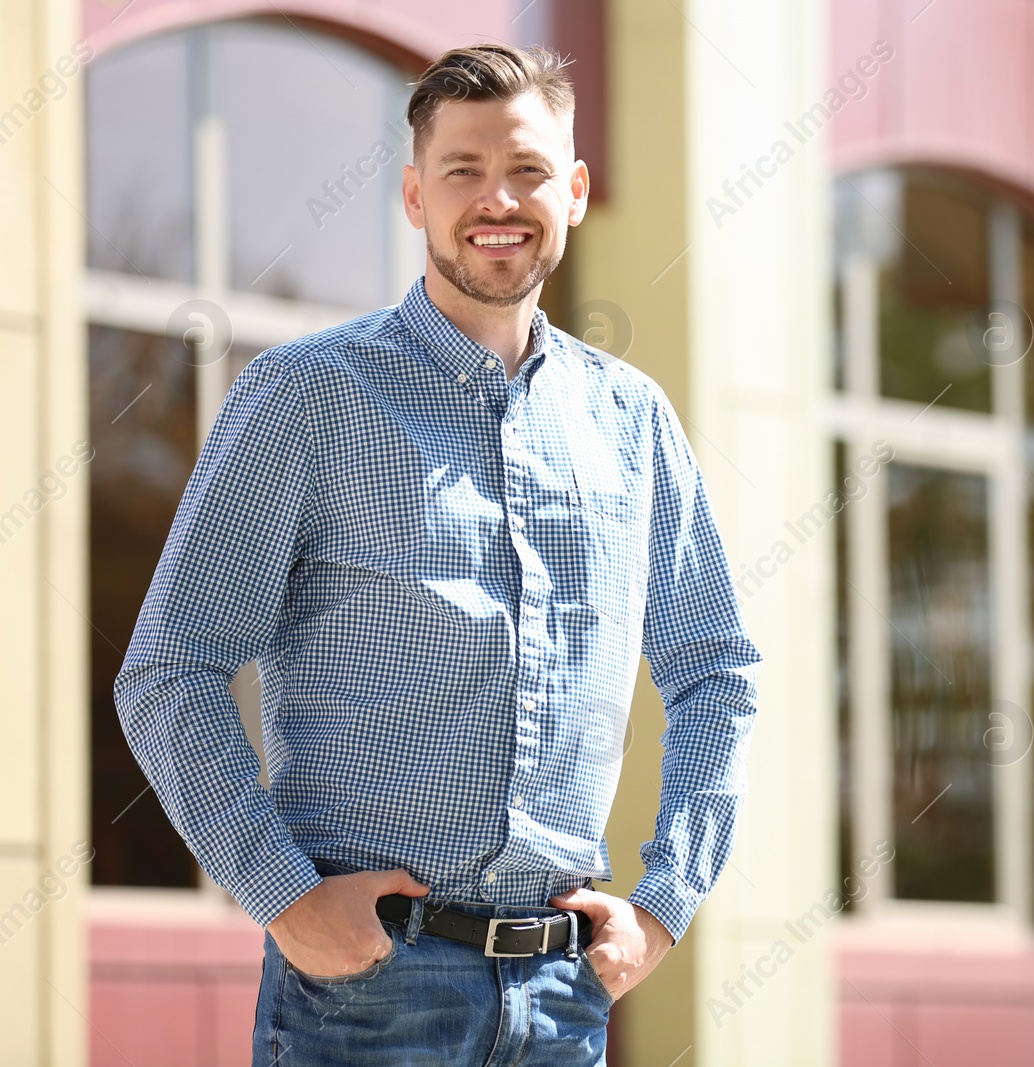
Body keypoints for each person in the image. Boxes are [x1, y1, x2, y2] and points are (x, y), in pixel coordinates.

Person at [114, 42, 760, 1066]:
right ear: (414, 195)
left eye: (528, 170)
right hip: (365, 994)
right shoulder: (308, 397)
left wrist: (665, 902)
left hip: (563, 998)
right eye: (462, 170)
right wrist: (282, 893)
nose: (496, 198)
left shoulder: (631, 422)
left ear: (576, 191)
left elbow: (718, 670)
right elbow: (168, 670)